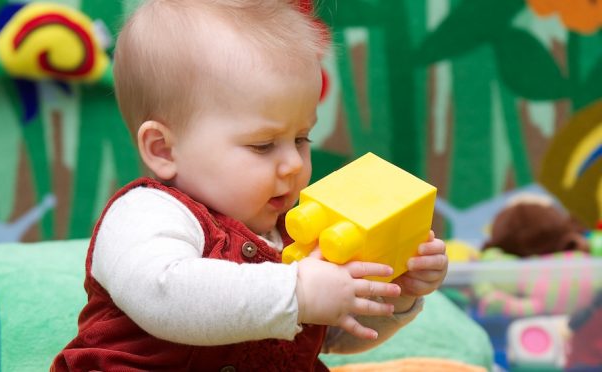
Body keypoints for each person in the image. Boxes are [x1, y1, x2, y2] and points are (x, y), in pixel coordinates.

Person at [52, 0, 448, 370]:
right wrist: (298, 292)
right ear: (164, 149)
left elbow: (333, 331)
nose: (293, 163)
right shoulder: (144, 214)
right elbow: (165, 295)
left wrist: (398, 292)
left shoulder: (290, 234)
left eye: (301, 139)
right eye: (263, 145)